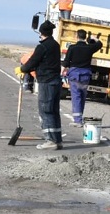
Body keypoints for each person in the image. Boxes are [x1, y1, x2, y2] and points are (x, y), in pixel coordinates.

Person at [19, 20, 63, 150]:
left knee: (46, 111)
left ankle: (50, 140)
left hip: (47, 82)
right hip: (55, 81)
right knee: (54, 111)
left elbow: (33, 62)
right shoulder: (55, 45)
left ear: (41, 33)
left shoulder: (42, 47)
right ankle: (57, 140)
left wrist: (22, 69)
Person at [62, 29, 102, 126]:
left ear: (77, 36)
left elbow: (66, 62)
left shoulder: (72, 48)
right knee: (82, 96)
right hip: (85, 75)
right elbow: (100, 44)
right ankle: (79, 117)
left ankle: (78, 120)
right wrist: (94, 38)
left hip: (75, 74)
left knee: (76, 97)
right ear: (85, 37)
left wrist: (62, 71)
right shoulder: (89, 48)